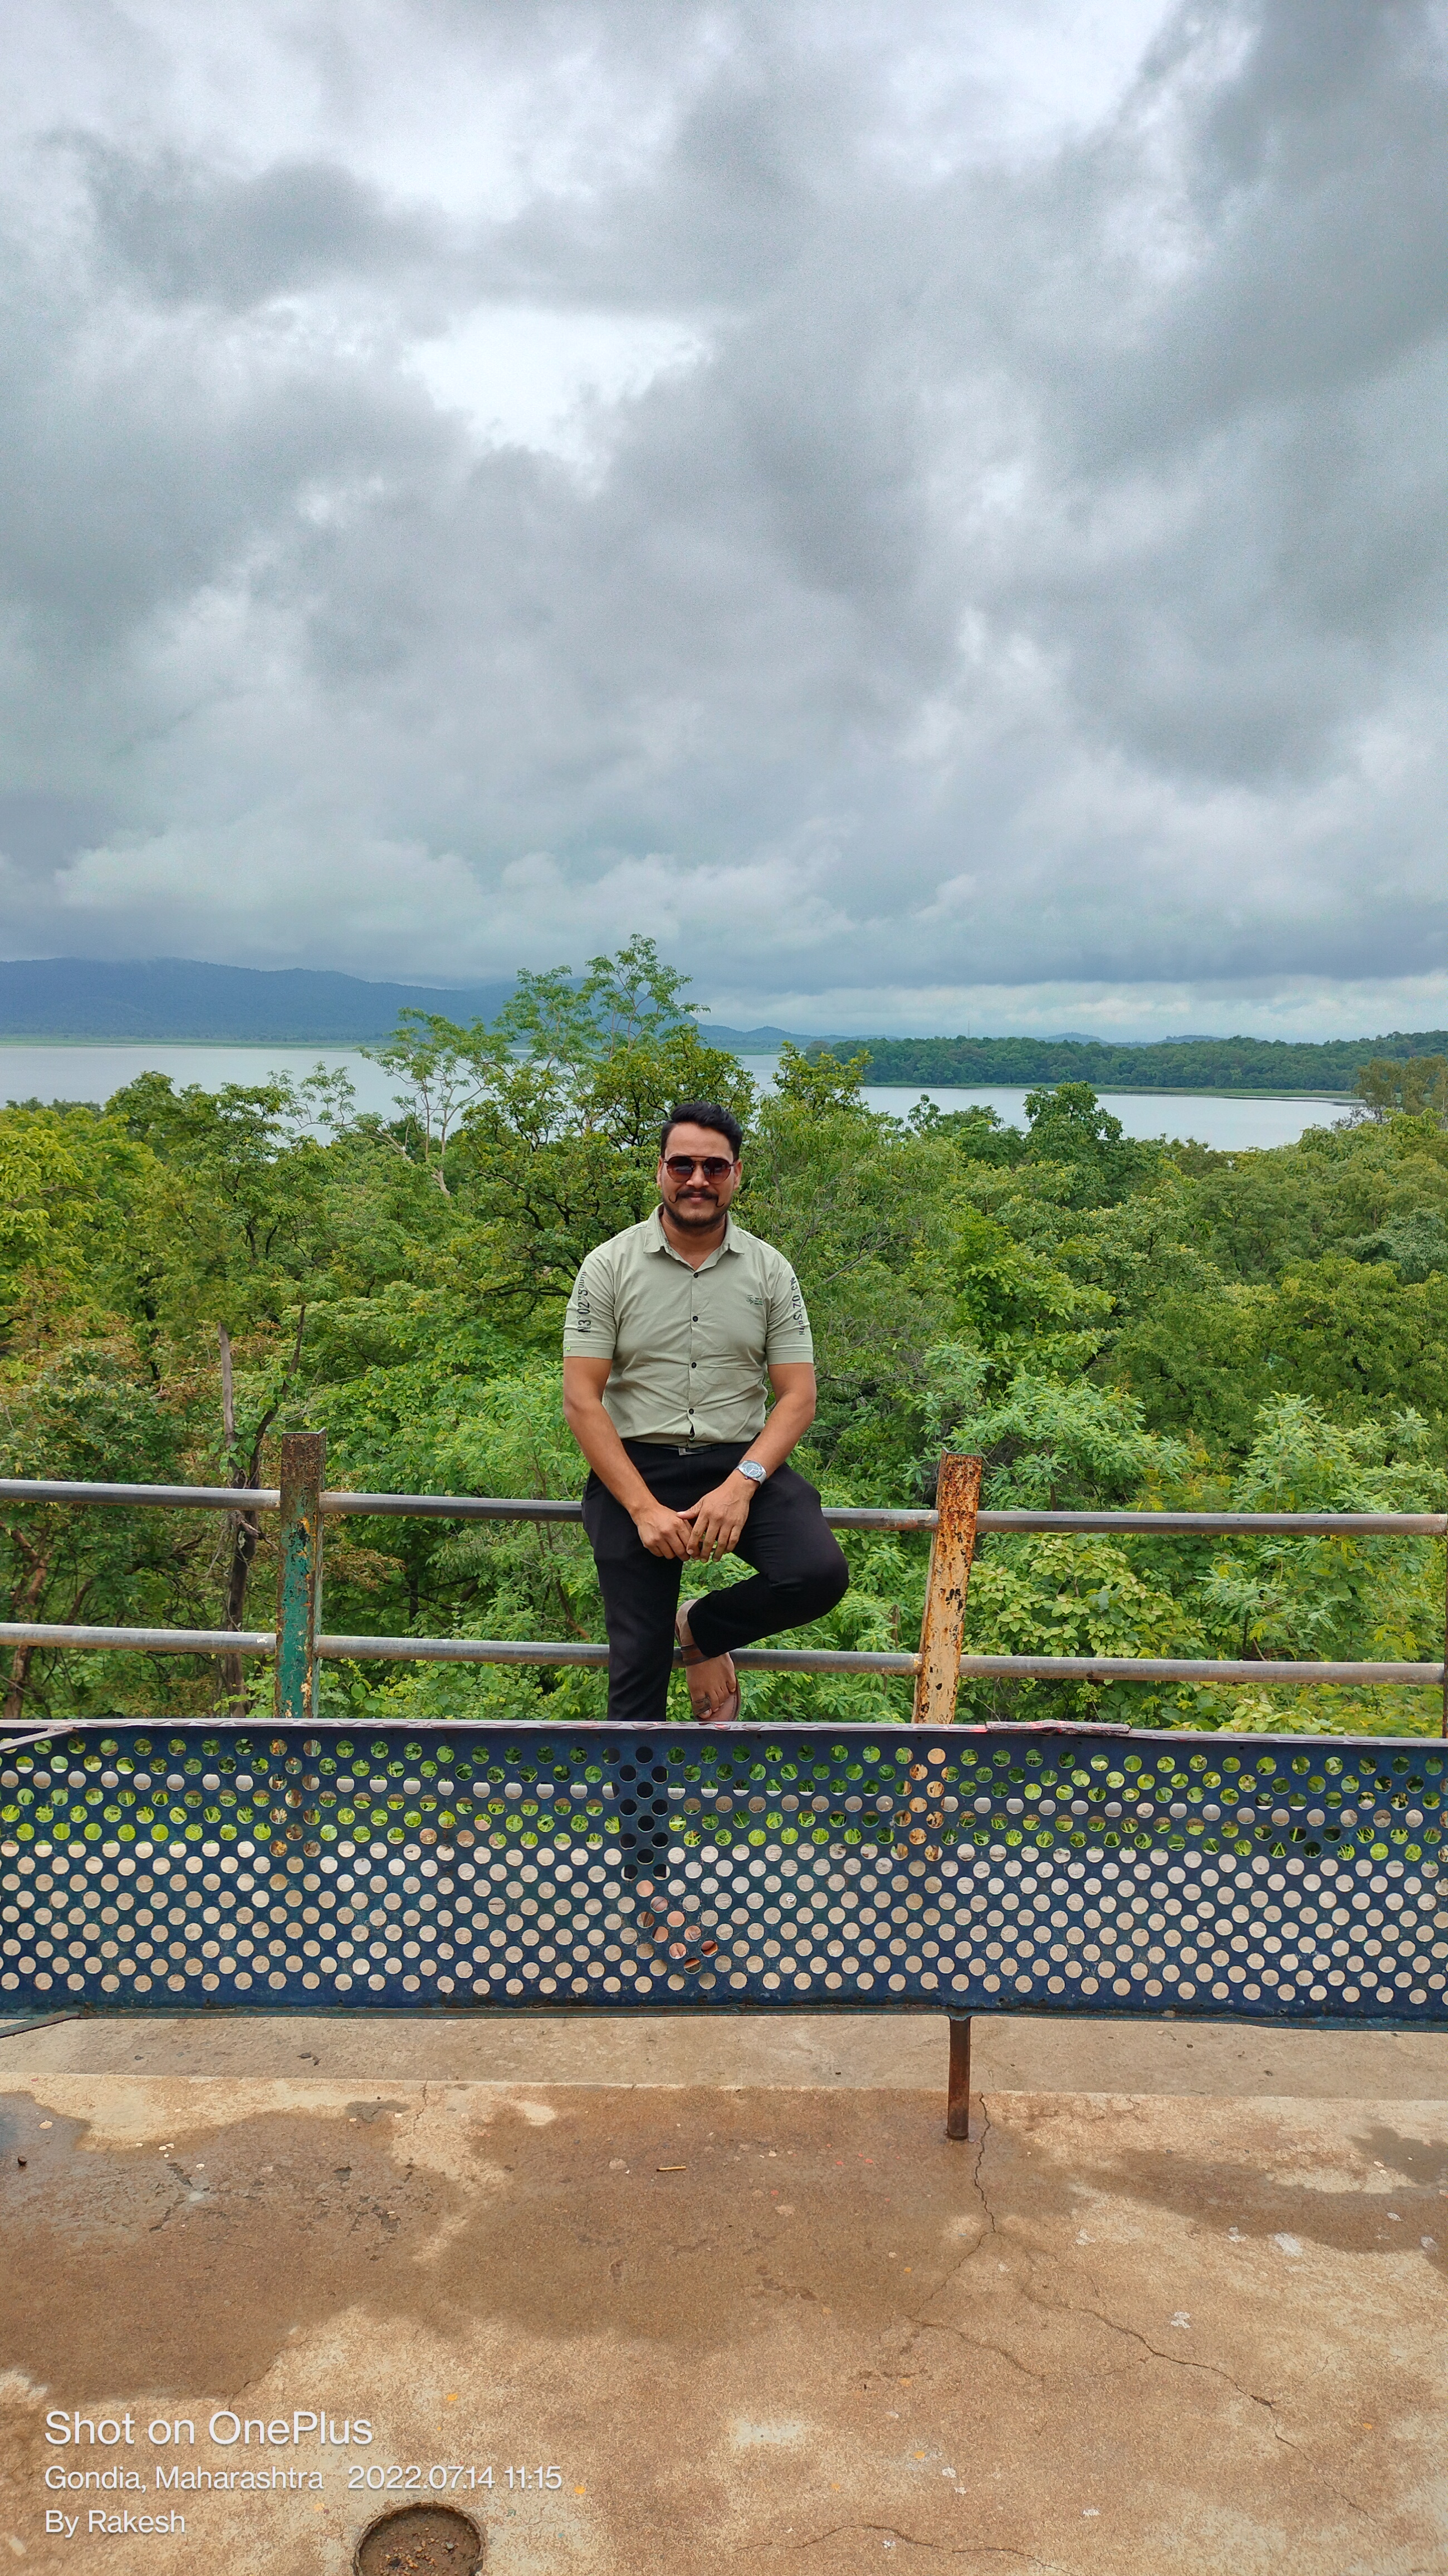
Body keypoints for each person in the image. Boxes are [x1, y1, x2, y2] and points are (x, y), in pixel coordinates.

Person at [562, 1100, 850, 1735]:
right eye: (683, 1165)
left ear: (736, 1174)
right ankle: (640, 1806)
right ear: (660, 1170)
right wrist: (642, 1509)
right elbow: (581, 1399)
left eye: (714, 1167)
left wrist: (741, 1485)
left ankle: (702, 1627)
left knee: (816, 1575)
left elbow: (798, 1396)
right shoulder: (608, 1266)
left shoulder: (770, 1270)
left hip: (739, 1461)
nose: (698, 1180)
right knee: (637, 1668)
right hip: (635, 1468)